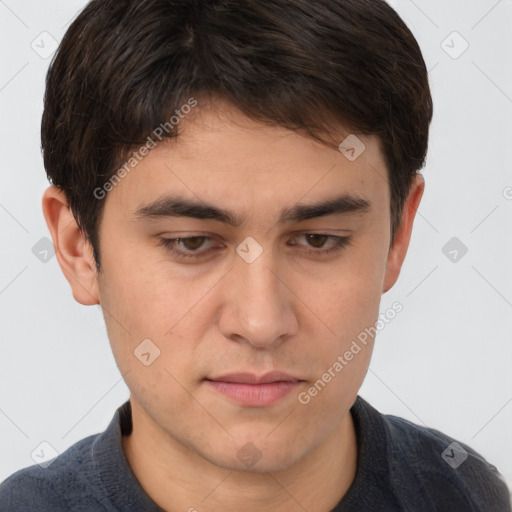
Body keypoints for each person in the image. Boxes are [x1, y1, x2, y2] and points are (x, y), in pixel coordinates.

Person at [1, 0, 510, 510]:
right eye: (191, 243)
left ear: (398, 235)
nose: (261, 322)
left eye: (319, 240)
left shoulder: (468, 494)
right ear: (79, 249)